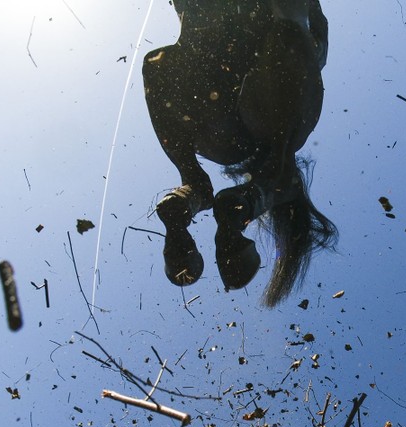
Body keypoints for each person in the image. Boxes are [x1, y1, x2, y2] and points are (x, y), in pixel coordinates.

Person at [142, 0, 337, 306]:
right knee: (158, 63)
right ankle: (202, 182)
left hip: (255, 101)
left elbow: (315, 34)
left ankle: (209, 182)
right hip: (233, 105)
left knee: (157, 65)